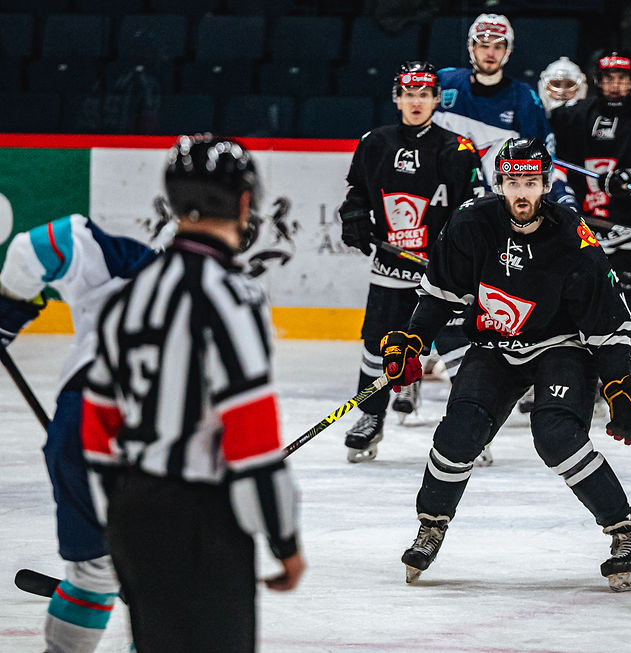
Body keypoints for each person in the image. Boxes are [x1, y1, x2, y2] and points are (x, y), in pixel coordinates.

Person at [381, 137, 631, 592]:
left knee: (556, 437)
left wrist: (619, 381)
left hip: (560, 347)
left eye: (531, 182)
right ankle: (431, 525)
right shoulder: (471, 222)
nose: (522, 192)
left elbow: (605, 318)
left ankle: (627, 529)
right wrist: (412, 340)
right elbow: (440, 295)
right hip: (495, 346)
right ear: (499, 184)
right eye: (513, 183)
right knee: (459, 433)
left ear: (545, 184)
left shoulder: (572, 235)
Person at [81, 134, 305, 652]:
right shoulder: (231, 295)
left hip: (133, 512)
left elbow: (97, 426)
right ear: (245, 203)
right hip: (201, 522)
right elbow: (251, 434)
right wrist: (284, 539)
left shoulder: (127, 295)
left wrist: (119, 519)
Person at [0, 214, 160, 653]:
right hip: (161, 439)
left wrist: (7, 312)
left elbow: (36, 247)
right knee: (165, 582)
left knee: (94, 574)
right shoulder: (231, 298)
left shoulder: (129, 261)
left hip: (82, 425)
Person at [339, 60, 485, 463]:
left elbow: (474, 211)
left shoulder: (458, 149)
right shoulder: (374, 143)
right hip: (390, 272)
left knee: (457, 349)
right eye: (408, 94)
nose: (416, 101)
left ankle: (473, 425)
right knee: (377, 346)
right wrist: (354, 214)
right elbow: (357, 193)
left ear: (436, 99)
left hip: (442, 276)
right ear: (397, 98)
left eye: (424, 94)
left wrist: (459, 256)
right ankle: (371, 416)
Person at [549, 49, 631, 420]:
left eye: (622, 78)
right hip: (587, 237)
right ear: (598, 81)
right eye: (609, 78)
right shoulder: (573, 117)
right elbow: (553, 164)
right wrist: (565, 198)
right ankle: (592, 382)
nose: (615, 85)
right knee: (579, 313)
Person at [432, 13, 576, 208]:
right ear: (471, 47)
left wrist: (561, 196)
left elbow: (545, 160)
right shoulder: (444, 82)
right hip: (438, 197)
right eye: (484, 45)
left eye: (498, 46)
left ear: (508, 50)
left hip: (494, 205)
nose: (490, 53)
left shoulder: (524, 98)